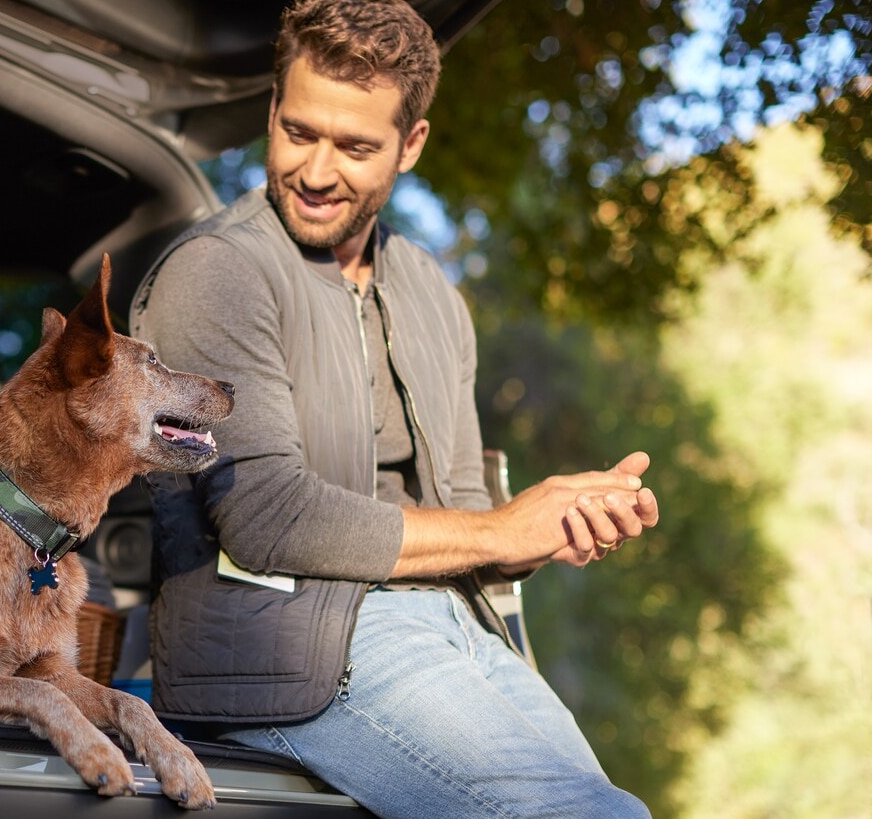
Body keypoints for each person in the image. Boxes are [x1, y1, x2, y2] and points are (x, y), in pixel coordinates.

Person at [128, 1, 660, 816]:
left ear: (411, 145)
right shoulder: (216, 273)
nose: (314, 170)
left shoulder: (433, 294)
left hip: (459, 632)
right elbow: (265, 519)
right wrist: (499, 529)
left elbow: (468, 518)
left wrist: (545, 530)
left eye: (355, 147)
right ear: (271, 110)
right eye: (299, 131)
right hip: (294, 652)